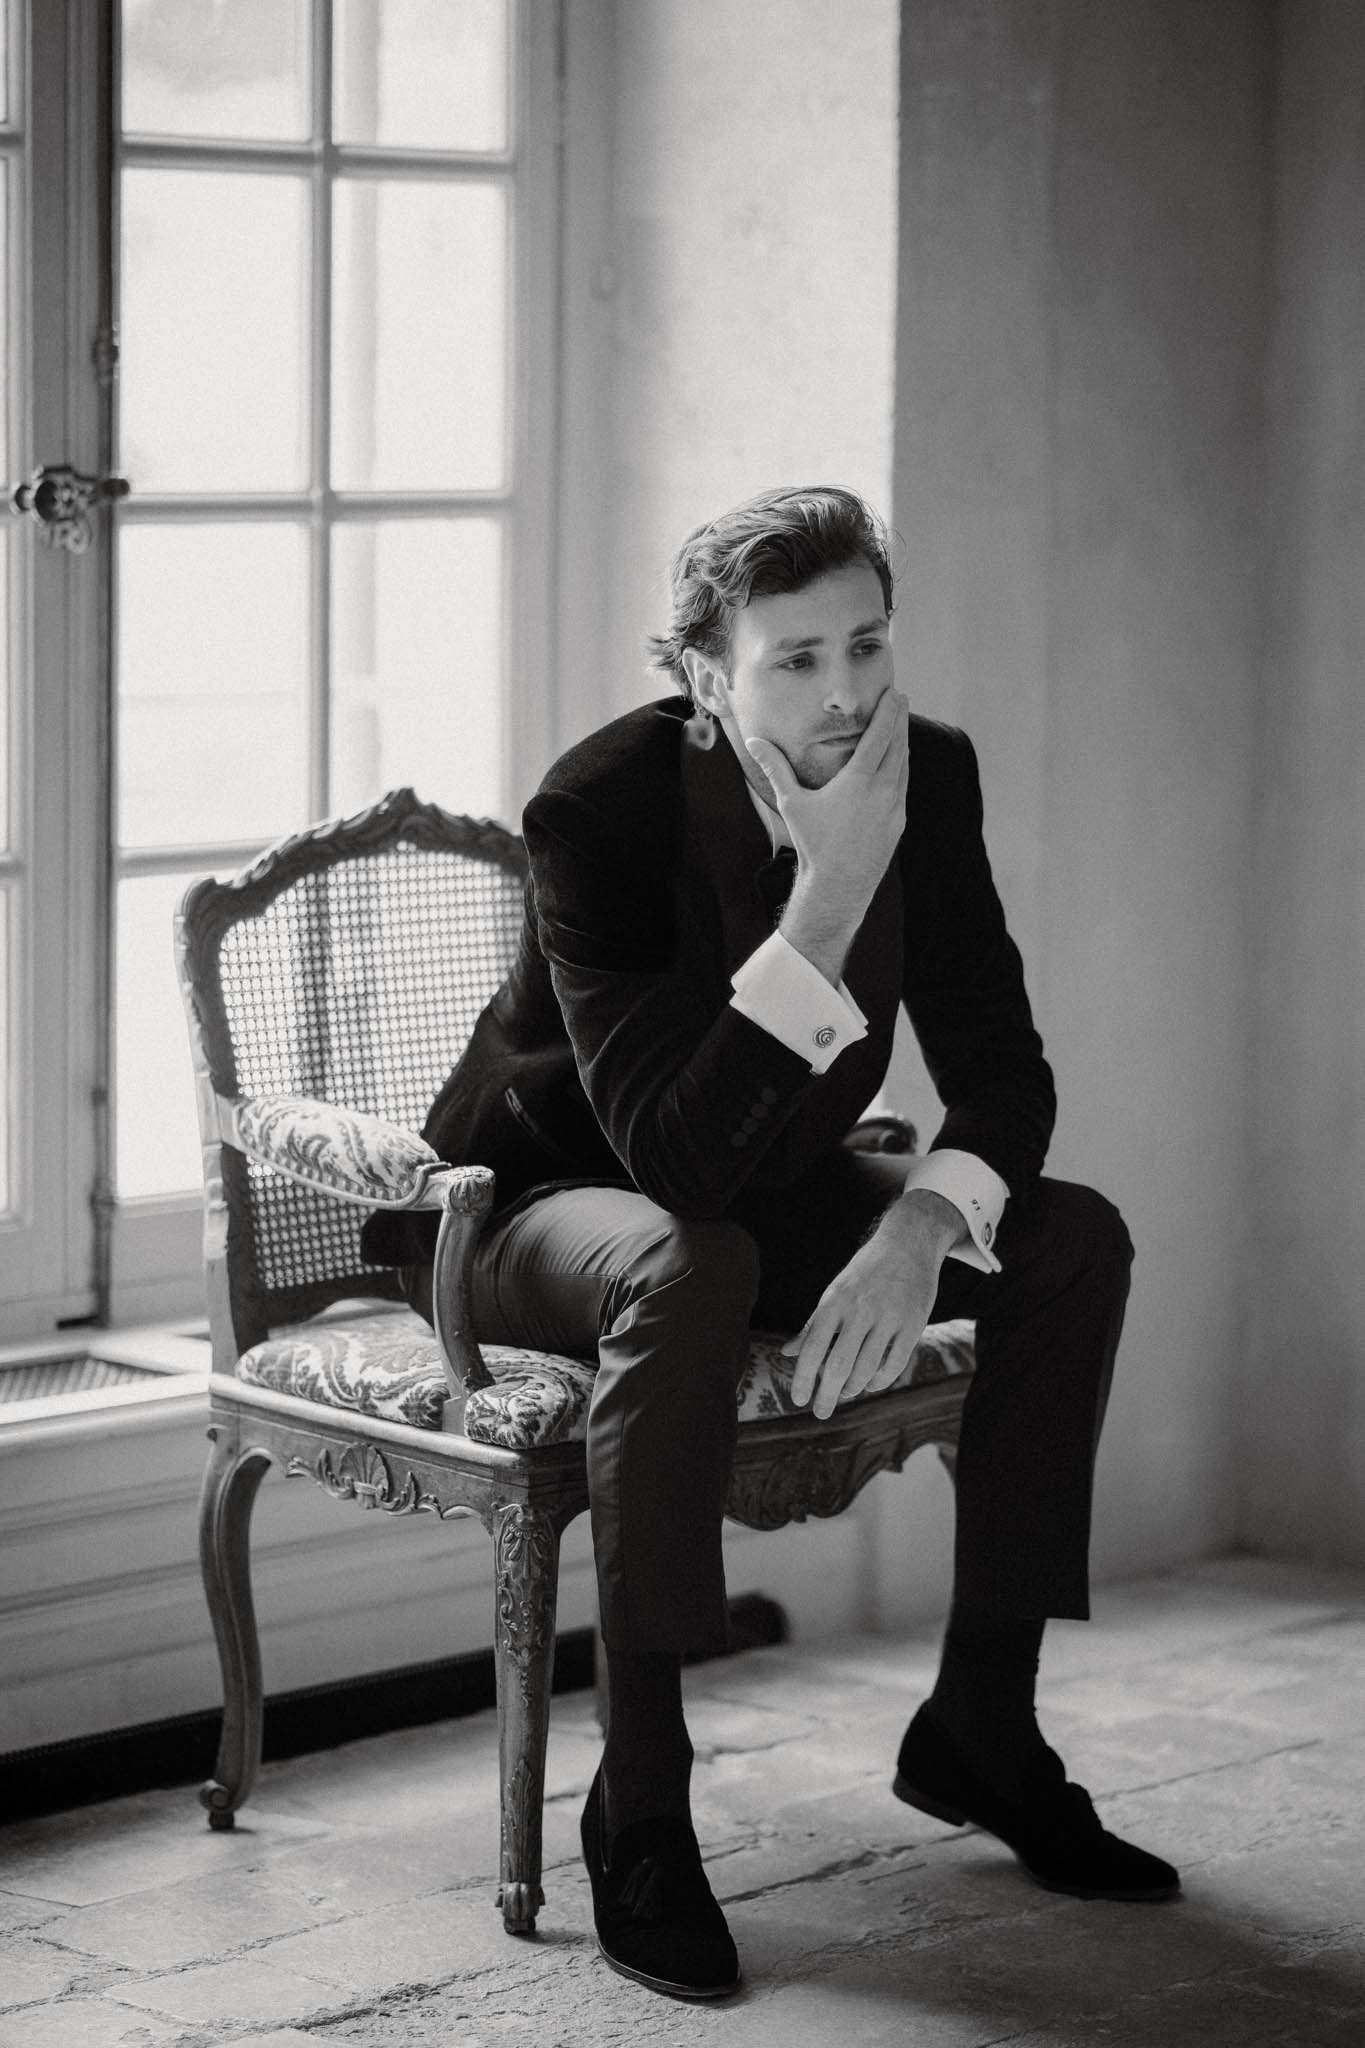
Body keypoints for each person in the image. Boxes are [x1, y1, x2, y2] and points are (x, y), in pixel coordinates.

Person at [361, 484, 1179, 2001]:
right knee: (697, 1259)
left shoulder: (926, 770)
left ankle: (983, 1727)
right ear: (703, 677)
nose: (847, 695)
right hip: (525, 1212)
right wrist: (831, 895)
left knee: (1066, 1240)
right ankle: (643, 1797)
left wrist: (926, 1221)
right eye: (794, 660)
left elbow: (1003, 1069)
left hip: (762, 1190)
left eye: (865, 645)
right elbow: (670, 1157)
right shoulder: (593, 810)